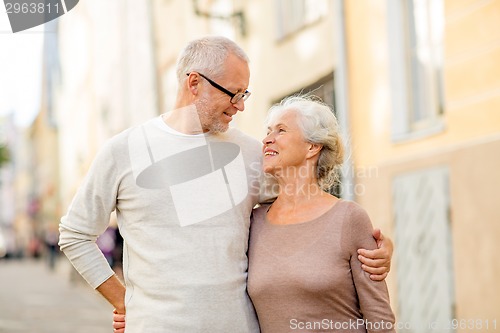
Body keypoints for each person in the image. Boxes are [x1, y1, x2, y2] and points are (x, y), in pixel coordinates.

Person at [59, 36, 392, 333]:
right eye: (233, 93)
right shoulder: (123, 151)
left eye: (244, 93)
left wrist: (372, 250)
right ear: (194, 84)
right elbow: (75, 234)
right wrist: (123, 301)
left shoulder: (251, 153)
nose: (241, 105)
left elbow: (307, 208)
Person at [247, 95, 395, 332]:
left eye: (280, 131)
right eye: (268, 131)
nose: (267, 140)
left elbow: (379, 318)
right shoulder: (253, 223)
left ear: (312, 147)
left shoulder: (349, 218)